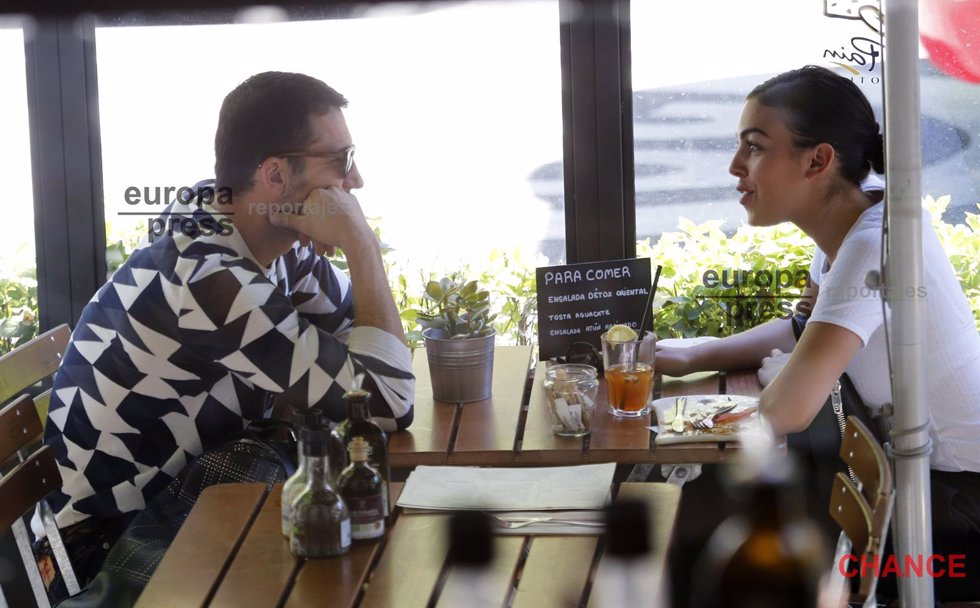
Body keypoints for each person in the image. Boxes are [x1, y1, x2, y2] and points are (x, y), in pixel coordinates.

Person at [32, 71, 415, 601]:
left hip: (188, 504)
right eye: (343, 160)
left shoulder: (267, 243)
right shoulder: (210, 279)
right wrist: (361, 243)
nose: (358, 181)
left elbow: (371, 346)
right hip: (108, 553)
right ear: (277, 175)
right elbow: (388, 400)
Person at [656, 65, 980, 601]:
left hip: (959, 519)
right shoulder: (862, 206)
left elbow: (785, 411)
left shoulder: (872, 248)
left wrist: (782, 371)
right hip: (924, 489)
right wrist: (695, 356)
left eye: (754, 147)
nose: (735, 166)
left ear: (819, 160)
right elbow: (804, 325)